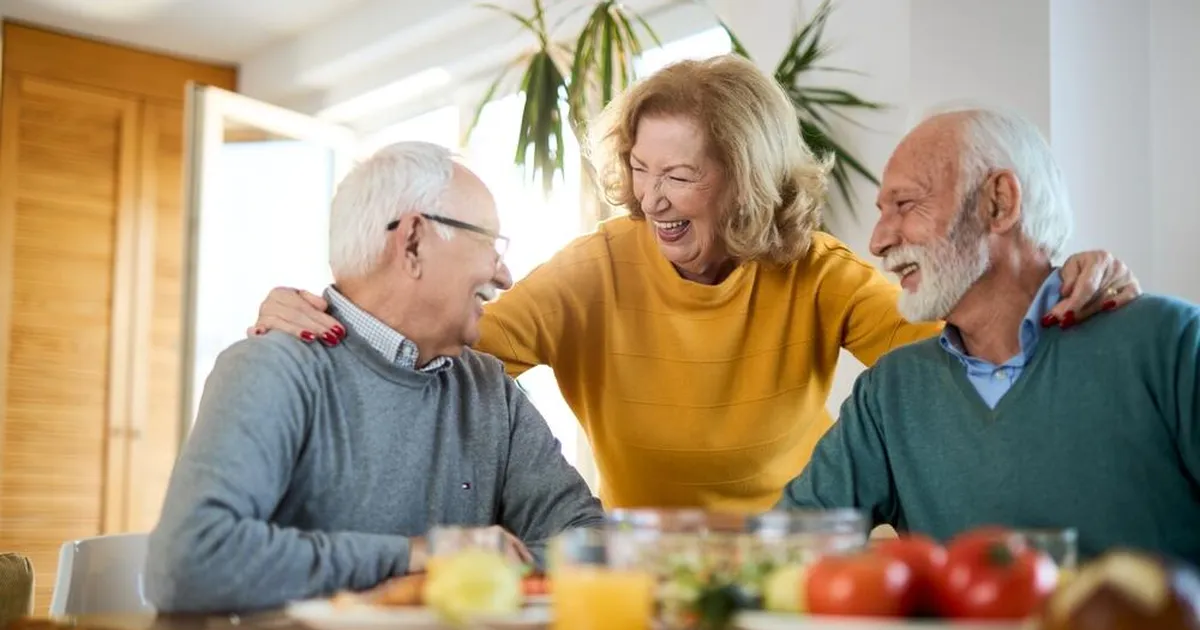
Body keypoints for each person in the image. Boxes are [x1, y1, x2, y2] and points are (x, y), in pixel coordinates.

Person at [249, 55, 1140, 513]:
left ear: (745, 177)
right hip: (634, 568)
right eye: (640, 169)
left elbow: (965, 345)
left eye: (681, 174)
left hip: (781, 575)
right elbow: (445, 345)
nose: (653, 198)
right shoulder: (599, 267)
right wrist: (331, 318)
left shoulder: (815, 275)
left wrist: (1067, 288)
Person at [146, 142, 605, 613]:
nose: (504, 275)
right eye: (489, 243)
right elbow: (189, 561)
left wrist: (479, 573)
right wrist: (416, 556)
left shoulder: (489, 391)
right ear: (412, 243)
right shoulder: (273, 369)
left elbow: (591, 544)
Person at [778, 106, 1200, 563]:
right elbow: (786, 547)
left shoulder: (1170, 344)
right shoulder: (891, 393)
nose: (879, 241)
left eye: (905, 204)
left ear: (998, 202)